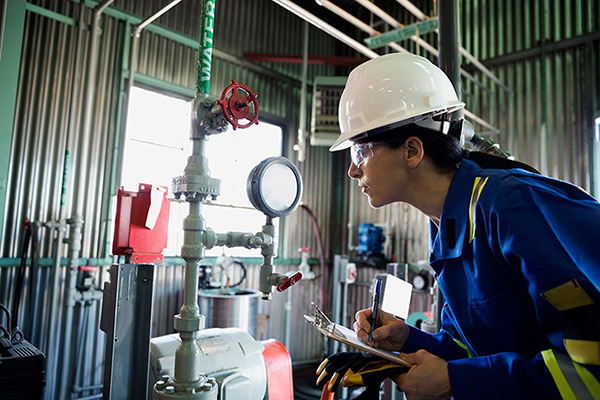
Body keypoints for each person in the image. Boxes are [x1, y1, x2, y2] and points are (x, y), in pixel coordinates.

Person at [323, 53, 600, 399]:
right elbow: (473, 348)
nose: (352, 170)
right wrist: (408, 339)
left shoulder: (511, 207)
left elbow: (590, 369)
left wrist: (459, 380)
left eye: (361, 150)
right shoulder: (448, 227)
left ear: (412, 150)